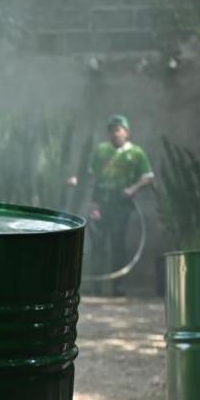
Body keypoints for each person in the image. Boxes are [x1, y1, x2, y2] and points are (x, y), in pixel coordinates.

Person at [67, 114, 153, 296]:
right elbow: (90, 175)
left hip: (121, 206)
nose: (114, 134)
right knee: (97, 244)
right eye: (111, 130)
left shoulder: (136, 153)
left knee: (117, 244)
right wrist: (79, 183)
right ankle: (95, 288)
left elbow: (148, 177)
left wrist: (133, 188)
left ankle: (116, 287)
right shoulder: (101, 151)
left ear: (126, 132)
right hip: (100, 205)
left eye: (117, 130)